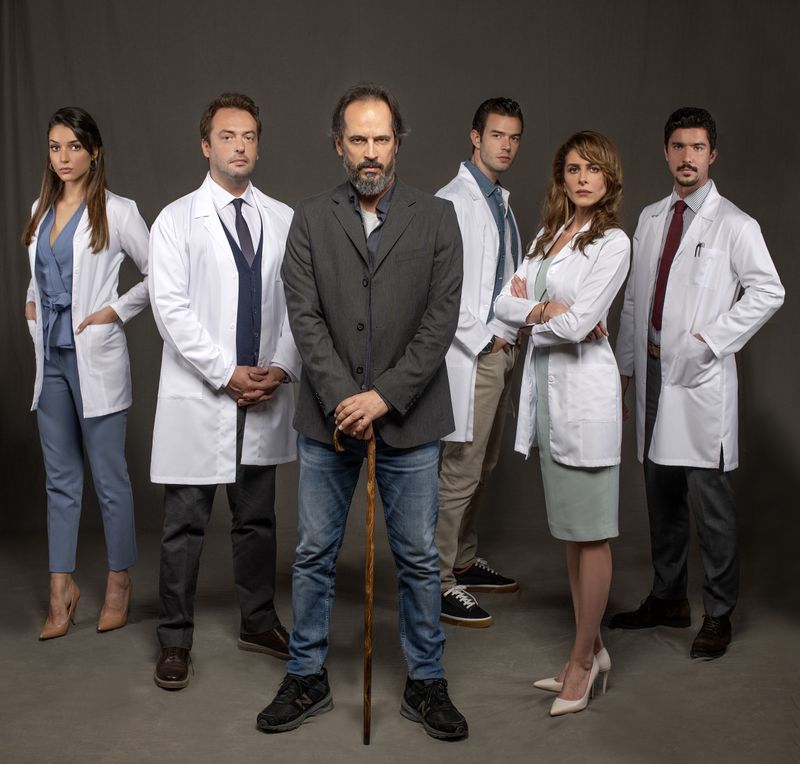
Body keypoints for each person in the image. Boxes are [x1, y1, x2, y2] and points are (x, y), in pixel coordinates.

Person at [256, 84, 468, 741]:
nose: (370, 152)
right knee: (314, 552)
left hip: (411, 419)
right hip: (330, 421)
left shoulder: (438, 218)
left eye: (381, 138)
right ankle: (306, 676)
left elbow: (440, 322)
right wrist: (347, 399)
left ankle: (426, 680)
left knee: (418, 556)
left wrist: (385, 396)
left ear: (397, 142)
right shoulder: (310, 220)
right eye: (358, 140)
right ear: (338, 146)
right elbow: (304, 316)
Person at [610, 107, 784, 659]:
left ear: (713, 155)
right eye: (679, 147)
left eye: (698, 147)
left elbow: (769, 290)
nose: (688, 157)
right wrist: (625, 367)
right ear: (666, 153)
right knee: (660, 491)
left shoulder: (735, 224)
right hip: (653, 369)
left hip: (699, 374)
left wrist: (711, 339)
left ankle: (718, 612)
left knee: (709, 500)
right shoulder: (650, 218)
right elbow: (635, 299)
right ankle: (667, 598)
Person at [149, 93, 300, 690]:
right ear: (205, 145)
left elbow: (299, 305)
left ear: (258, 145)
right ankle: (174, 639)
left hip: (262, 393)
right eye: (227, 136)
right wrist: (226, 372)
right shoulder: (175, 220)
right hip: (204, 392)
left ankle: (258, 623)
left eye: (249, 136)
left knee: (257, 518)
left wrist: (279, 367)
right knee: (184, 523)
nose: (240, 146)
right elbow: (170, 310)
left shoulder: (283, 218)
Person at [494, 131, 630, 716]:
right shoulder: (548, 235)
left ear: (608, 178)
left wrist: (543, 314)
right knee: (572, 534)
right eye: (573, 169)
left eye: (592, 169)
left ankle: (580, 663)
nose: (582, 178)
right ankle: (593, 648)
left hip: (584, 398)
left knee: (591, 532)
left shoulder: (613, 242)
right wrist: (548, 310)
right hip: (549, 400)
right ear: (562, 178)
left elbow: (579, 327)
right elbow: (502, 303)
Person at [22, 106, 149, 640]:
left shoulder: (118, 212)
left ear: (94, 152)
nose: (64, 157)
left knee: (109, 477)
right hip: (50, 360)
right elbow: (41, 276)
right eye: (55, 147)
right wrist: (31, 304)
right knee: (60, 479)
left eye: (74, 147)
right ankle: (61, 590)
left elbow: (160, 276)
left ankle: (119, 582)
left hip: (93, 357)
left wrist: (114, 311)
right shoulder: (40, 208)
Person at [435, 97, 524, 628]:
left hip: (502, 350)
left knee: (484, 464)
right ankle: (438, 580)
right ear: (475, 137)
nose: (505, 146)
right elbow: (438, 290)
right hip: (472, 354)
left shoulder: (500, 203)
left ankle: (464, 560)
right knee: (460, 469)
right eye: (496, 135)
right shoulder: (452, 202)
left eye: (513, 137)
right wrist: (484, 339)